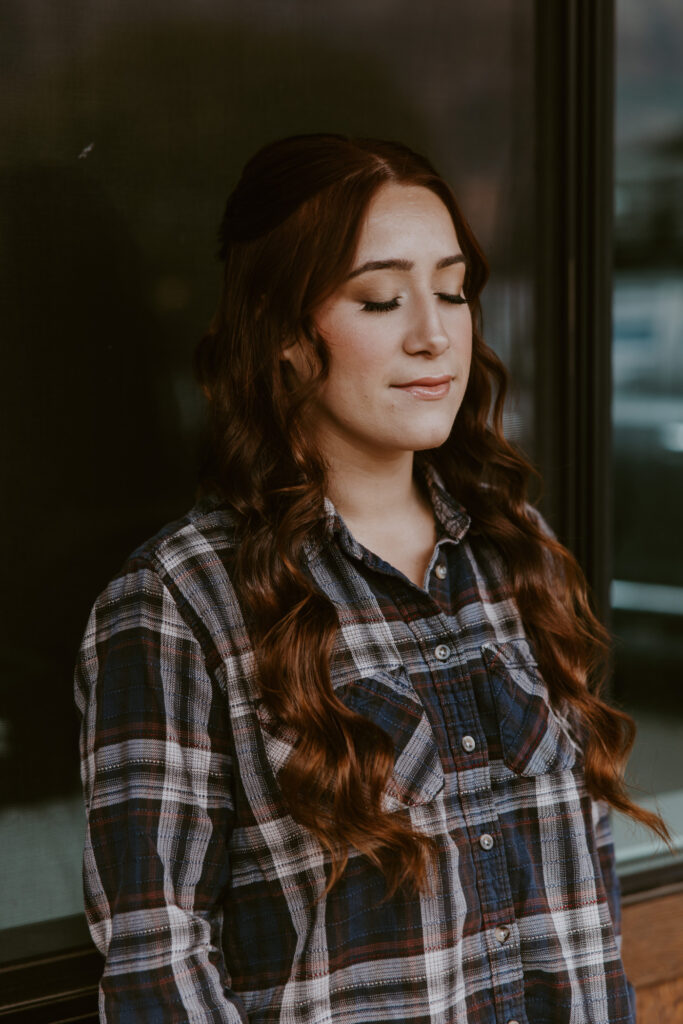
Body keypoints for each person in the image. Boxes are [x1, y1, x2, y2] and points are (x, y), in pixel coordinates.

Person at [75, 134, 666, 1023]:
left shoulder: (519, 553)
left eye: (452, 290)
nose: (434, 334)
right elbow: (158, 965)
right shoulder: (180, 602)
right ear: (279, 332)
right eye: (382, 298)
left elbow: (590, 896)